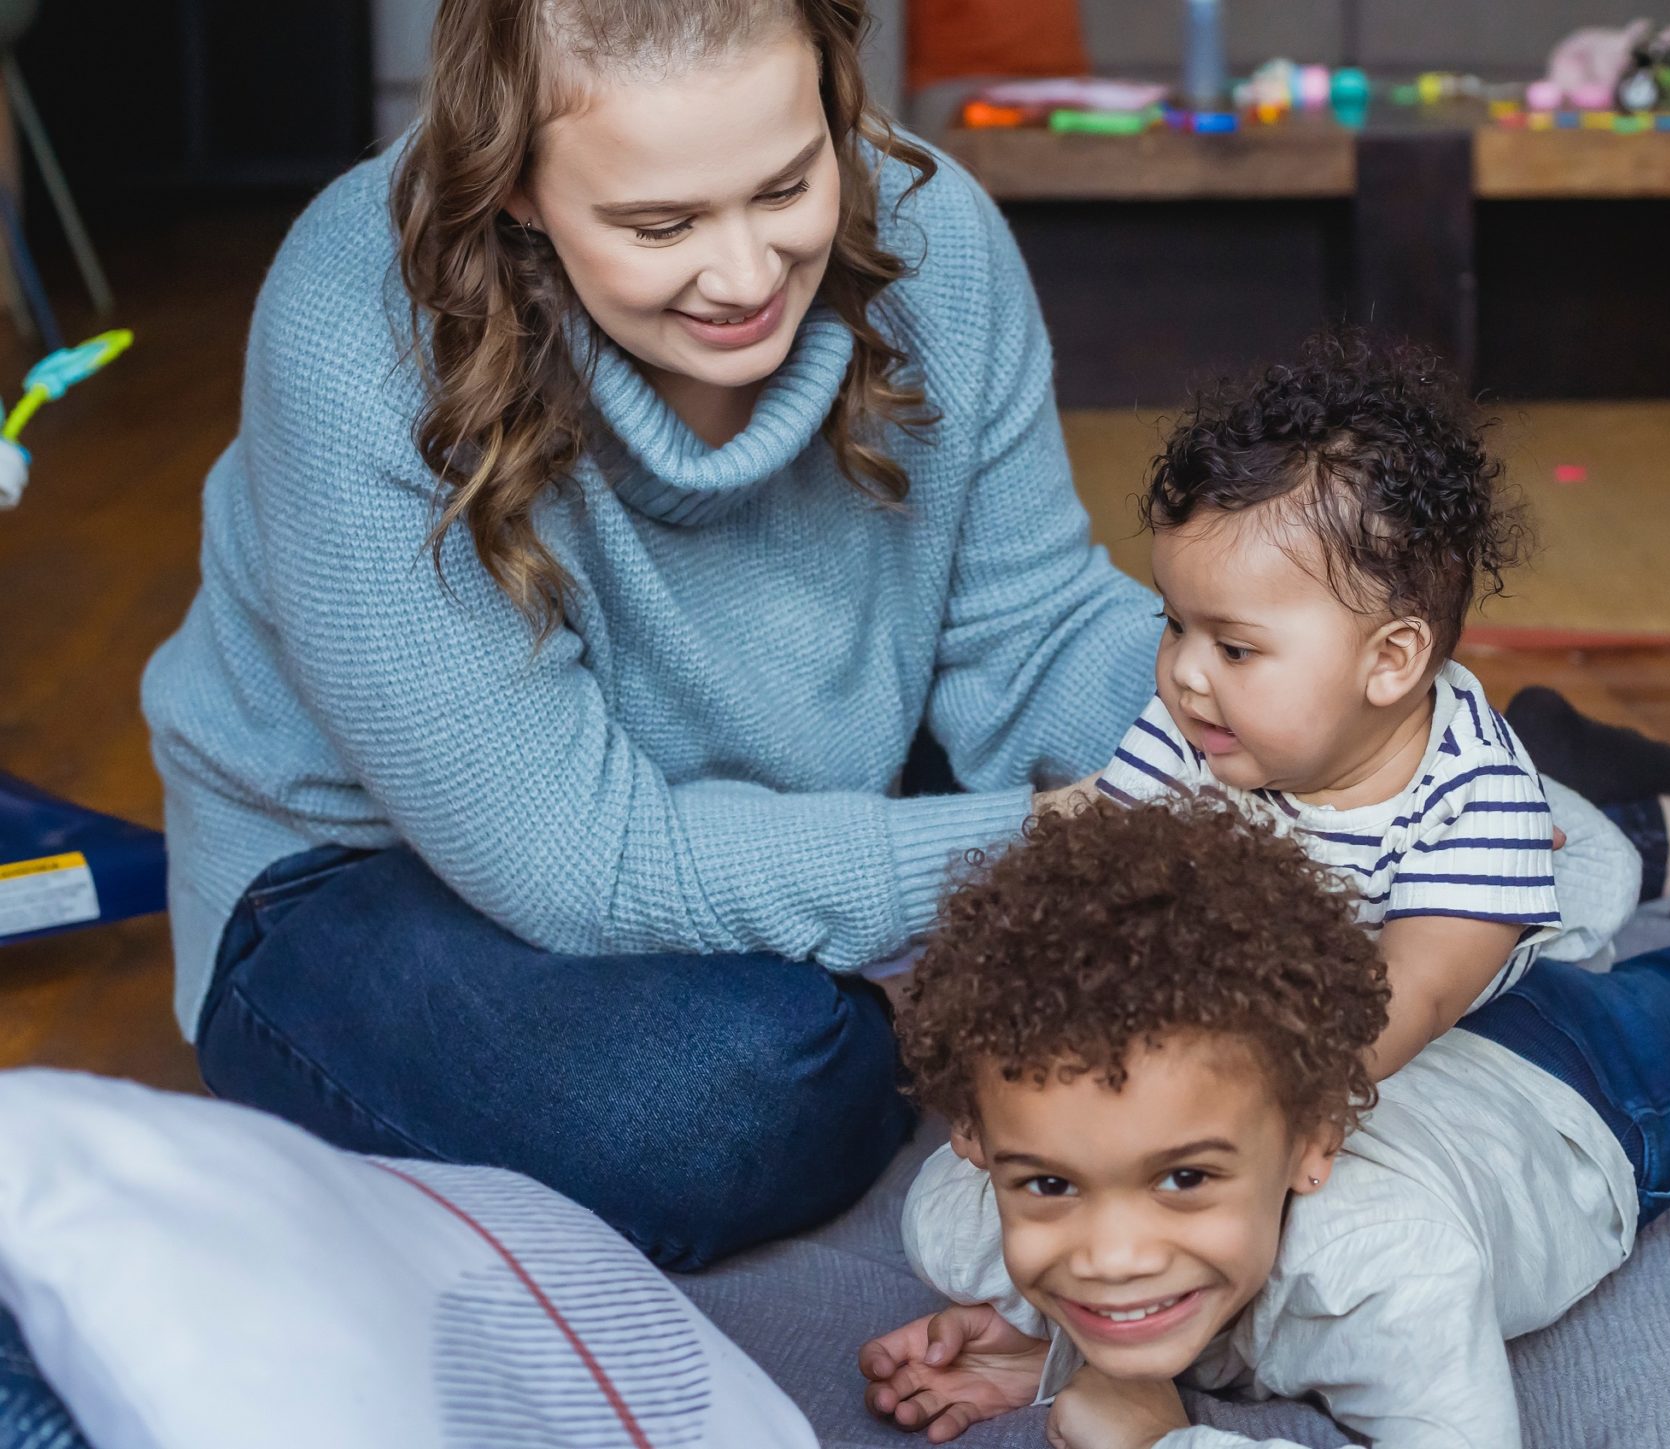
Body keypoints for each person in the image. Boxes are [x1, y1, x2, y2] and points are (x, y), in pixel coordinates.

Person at [138, 0, 1156, 1269]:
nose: (744, 278)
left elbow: (1033, 629)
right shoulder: (359, 323)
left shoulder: (932, 229)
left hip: (811, 800)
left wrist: (1243, 731)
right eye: (658, 227)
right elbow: (579, 859)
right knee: (729, 1092)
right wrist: (1059, 850)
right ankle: (897, 994)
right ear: (513, 181)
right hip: (378, 871)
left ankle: (897, 980)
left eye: (785, 186)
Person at [1092, 327, 1670, 1080]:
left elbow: (1413, 996)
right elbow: (1097, 880)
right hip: (1386, 825)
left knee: (1601, 863)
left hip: (1541, 900)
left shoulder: (1480, 804)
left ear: (1391, 659)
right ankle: (1573, 748)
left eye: (1234, 646)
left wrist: (1266, 1101)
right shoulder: (1196, 725)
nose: (1185, 673)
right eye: (1174, 624)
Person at [859, 794, 1670, 1449]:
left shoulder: (1389, 1269)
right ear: (975, 1144)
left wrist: (1154, 1441)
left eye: (1184, 1178)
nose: (1112, 1257)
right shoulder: (958, 1225)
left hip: (1591, 1089)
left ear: (1313, 1143)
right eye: (1049, 1185)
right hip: (1399, 1049)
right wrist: (1048, 1349)